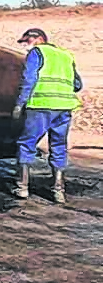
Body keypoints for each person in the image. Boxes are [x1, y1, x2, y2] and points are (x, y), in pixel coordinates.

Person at [12, 28, 84, 203]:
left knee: (27, 143)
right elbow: (77, 84)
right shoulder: (65, 55)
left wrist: (20, 103)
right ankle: (58, 191)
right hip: (64, 108)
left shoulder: (37, 53)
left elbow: (29, 79)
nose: (25, 46)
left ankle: (22, 188)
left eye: (27, 41)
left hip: (40, 107)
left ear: (38, 39)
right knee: (59, 145)